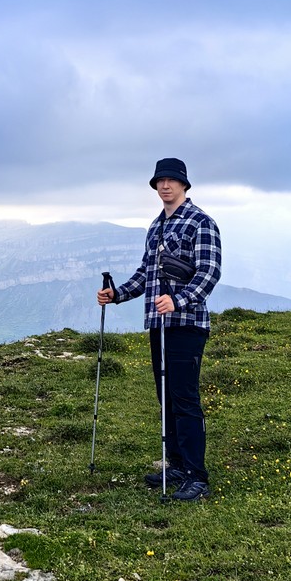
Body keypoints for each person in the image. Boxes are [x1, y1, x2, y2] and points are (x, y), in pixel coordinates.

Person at [97, 158, 221, 500]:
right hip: (159, 324)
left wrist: (178, 301)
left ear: (184, 185)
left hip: (187, 324)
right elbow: (146, 274)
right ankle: (177, 465)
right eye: (160, 181)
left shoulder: (201, 222)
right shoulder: (155, 226)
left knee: (184, 398)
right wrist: (118, 294)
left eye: (172, 180)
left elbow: (209, 272)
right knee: (165, 396)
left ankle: (197, 477)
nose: (165, 186)